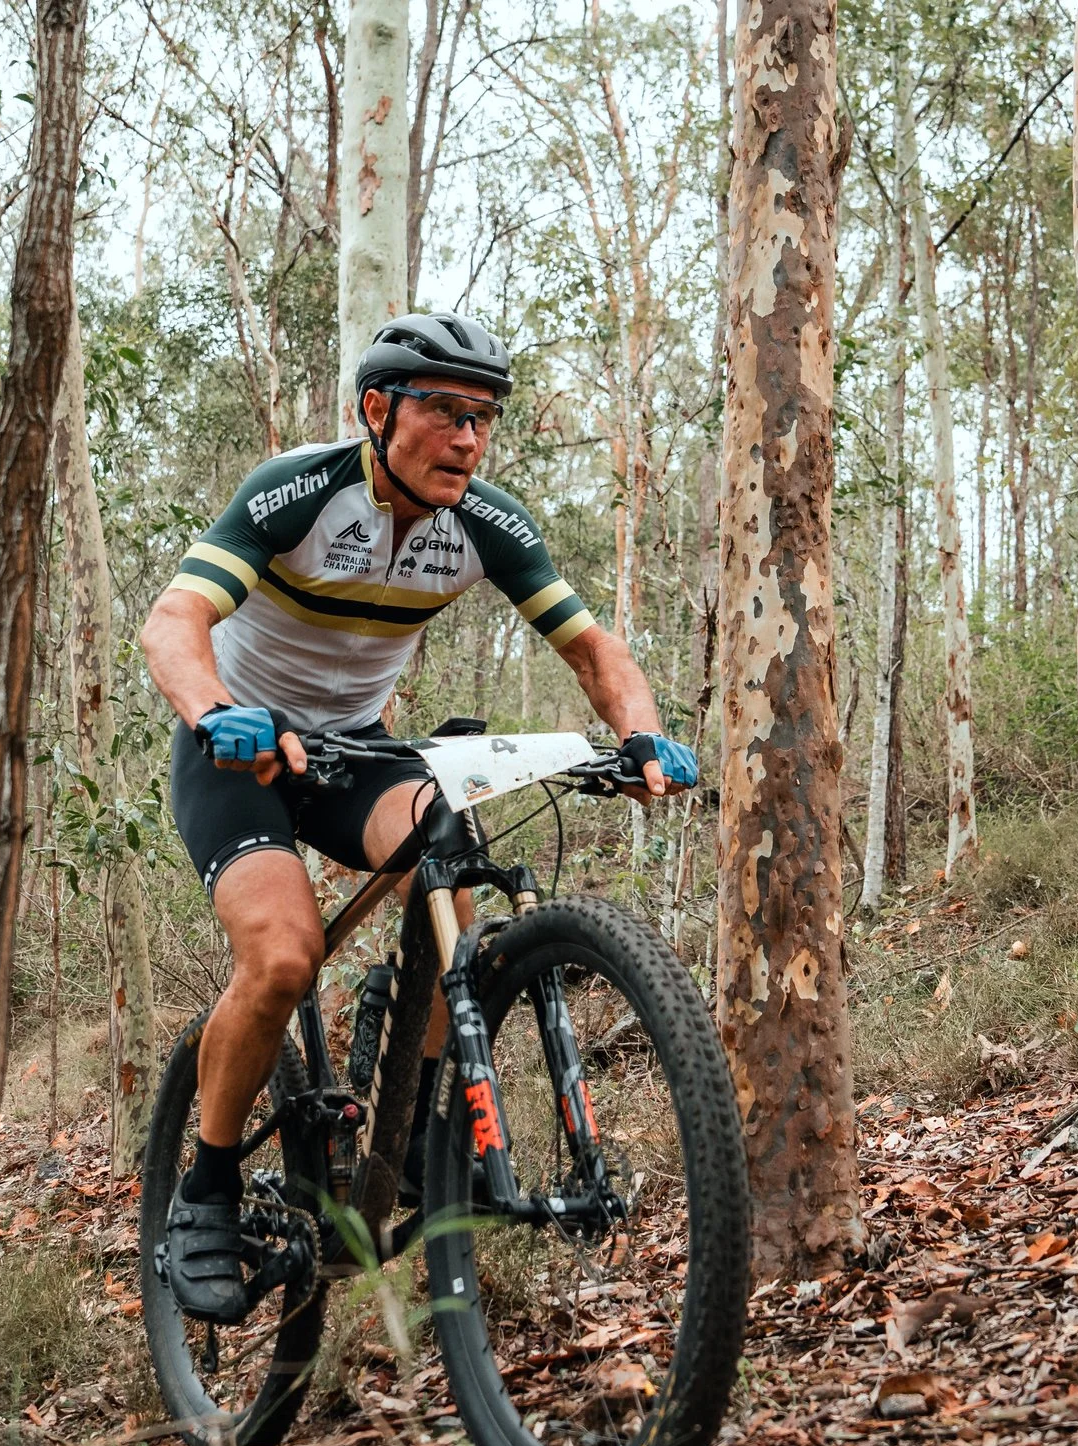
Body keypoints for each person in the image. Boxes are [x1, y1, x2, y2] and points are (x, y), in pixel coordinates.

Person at [137, 312, 699, 1323]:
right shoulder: (298, 491)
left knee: (455, 859)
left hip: (355, 749)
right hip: (243, 750)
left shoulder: (485, 521)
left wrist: (643, 734)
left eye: (483, 417)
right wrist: (219, 712)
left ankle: (411, 1126)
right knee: (280, 956)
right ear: (376, 410)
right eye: (444, 411)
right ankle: (208, 1187)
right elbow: (174, 620)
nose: (468, 438)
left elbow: (593, 651)